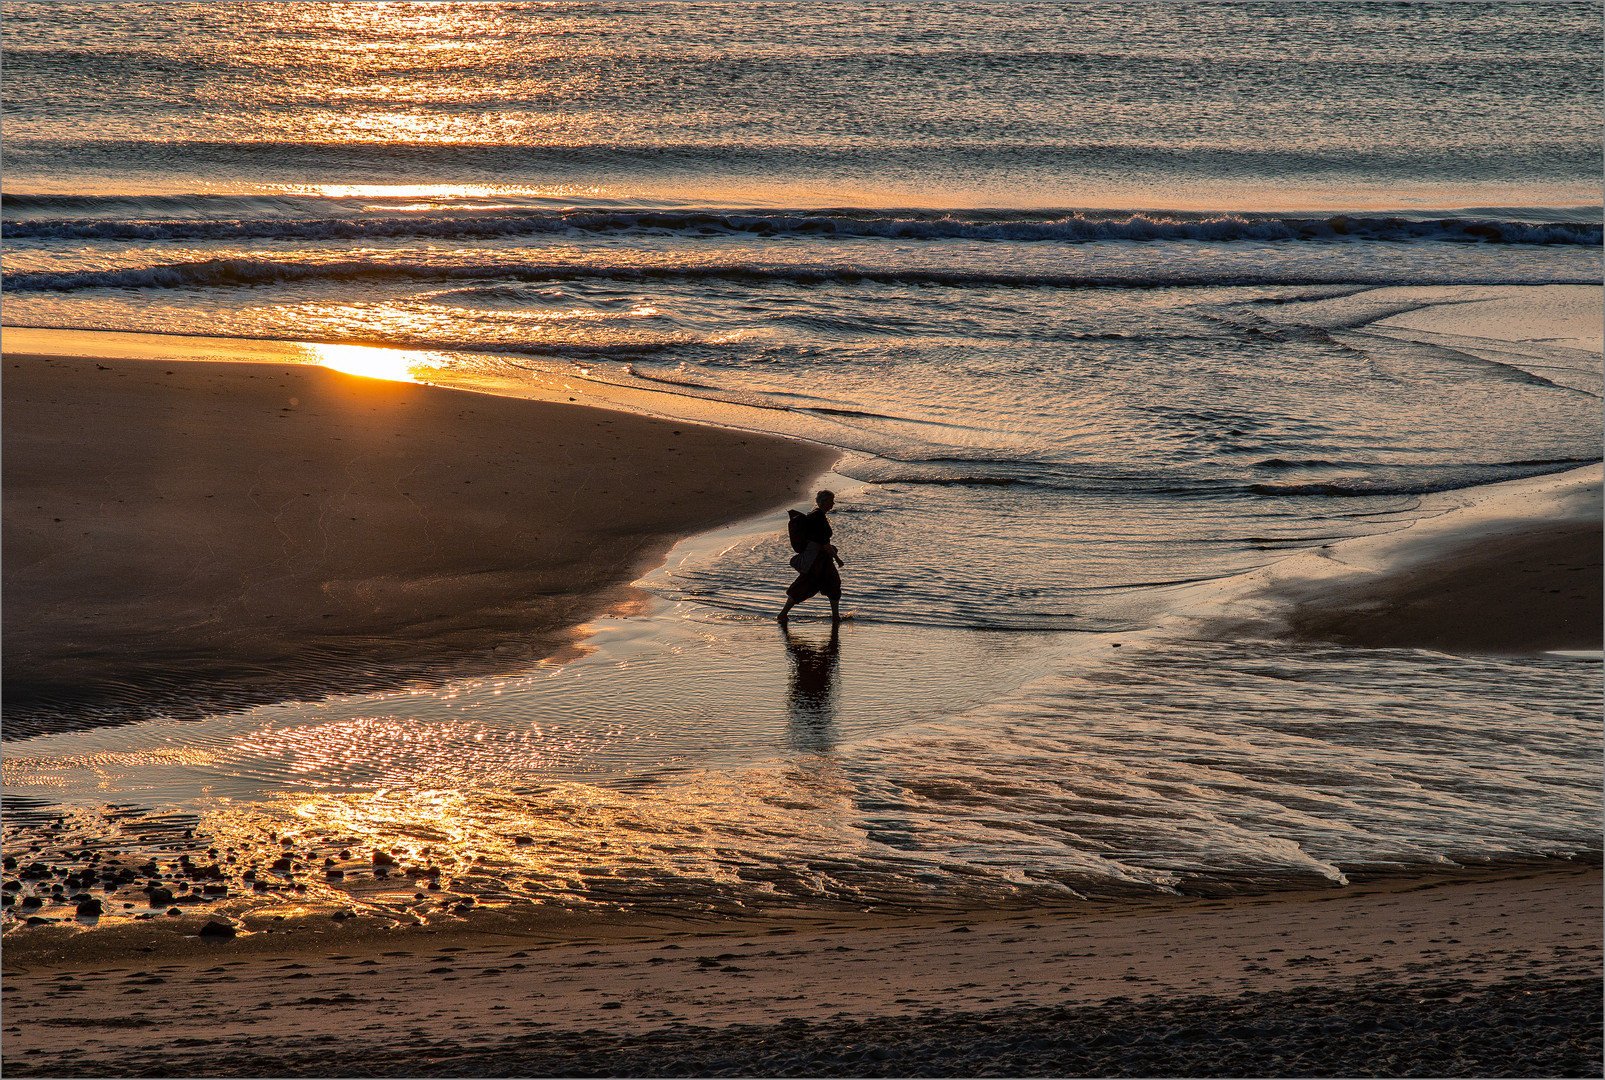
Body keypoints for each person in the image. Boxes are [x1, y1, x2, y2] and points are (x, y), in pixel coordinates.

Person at [779, 489, 843, 623]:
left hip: (819, 559)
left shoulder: (816, 514)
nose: (833, 503)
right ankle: (782, 614)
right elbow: (824, 543)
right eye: (831, 501)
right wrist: (837, 559)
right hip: (816, 559)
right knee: (807, 584)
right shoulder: (818, 517)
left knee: (830, 584)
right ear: (824, 501)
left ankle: (836, 616)